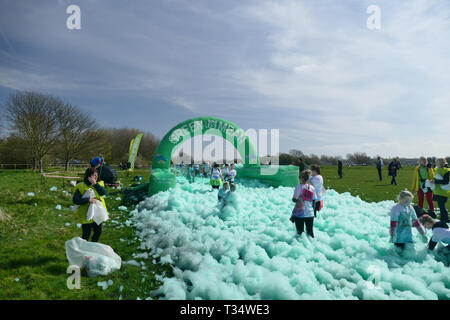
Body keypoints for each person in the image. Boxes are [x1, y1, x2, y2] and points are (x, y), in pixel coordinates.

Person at [72, 167, 107, 242]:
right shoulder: (81, 186)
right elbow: (76, 200)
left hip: (97, 213)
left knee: (98, 232)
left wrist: (95, 184)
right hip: (85, 214)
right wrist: (88, 200)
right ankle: (85, 250)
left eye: (96, 175)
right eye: (94, 175)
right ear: (88, 176)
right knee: (86, 235)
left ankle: (93, 246)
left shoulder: (99, 184)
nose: (96, 177)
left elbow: (103, 192)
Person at [290, 170, 316, 237]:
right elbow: (314, 201)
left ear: (301, 178)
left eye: (299, 177)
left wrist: (296, 199)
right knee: (310, 233)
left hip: (300, 213)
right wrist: (314, 212)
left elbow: (294, 199)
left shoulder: (298, 187)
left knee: (300, 234)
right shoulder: (312, 187)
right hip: (310, 213)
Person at [431, 158, 450, 223]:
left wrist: (435, 181)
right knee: (440, 206)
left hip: (443, 192)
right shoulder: (436, 169)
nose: (439, 164)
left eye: (440, 162)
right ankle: (443, 218)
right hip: (437, 191)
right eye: (438, 162)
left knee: (442, 206)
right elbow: (435, 177)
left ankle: (445, 219)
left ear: (444, 163)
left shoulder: (446, 171)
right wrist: (433, 180)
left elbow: (446, 181)